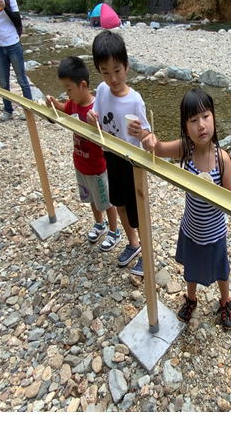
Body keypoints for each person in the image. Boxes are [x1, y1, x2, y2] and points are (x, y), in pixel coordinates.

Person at [130, 88, 231, 329]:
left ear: (214, 118)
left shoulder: (222, 159)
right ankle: (191, 298)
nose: (201, 125)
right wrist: (146, 137)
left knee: (222, 269)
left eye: (206, 117)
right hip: (191, 228)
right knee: (190, 268)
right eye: (193, 120)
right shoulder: (185, 150)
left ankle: (225, 300)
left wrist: (215, 194)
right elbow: (157, 149)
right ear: (185, 126)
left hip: (215, 232)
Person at [86, 30, 151, 276]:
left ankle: (147, 252)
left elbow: (147, 137)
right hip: (111, 156)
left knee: (138, 211)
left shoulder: (135, 100)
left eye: (117, 70)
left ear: (127, 66)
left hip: (132, 163)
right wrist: (92, 118)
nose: (112, 78)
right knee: (119, 204)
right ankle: (133, 244)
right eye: (105, 72)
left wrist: (142, 133)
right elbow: (97, 117)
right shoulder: (102, 90)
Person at [44, 56, 121, 251]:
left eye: (69, 88)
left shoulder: (97, 108)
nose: (67, 93)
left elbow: (108, 136)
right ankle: (99, 223)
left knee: (107, 200)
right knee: (92, 199)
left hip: (98, 167)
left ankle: (114, 230)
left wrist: (96, 126)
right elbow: (63, 109)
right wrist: (53, 103)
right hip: (80, 163)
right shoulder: (74, 103)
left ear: (83, 85)